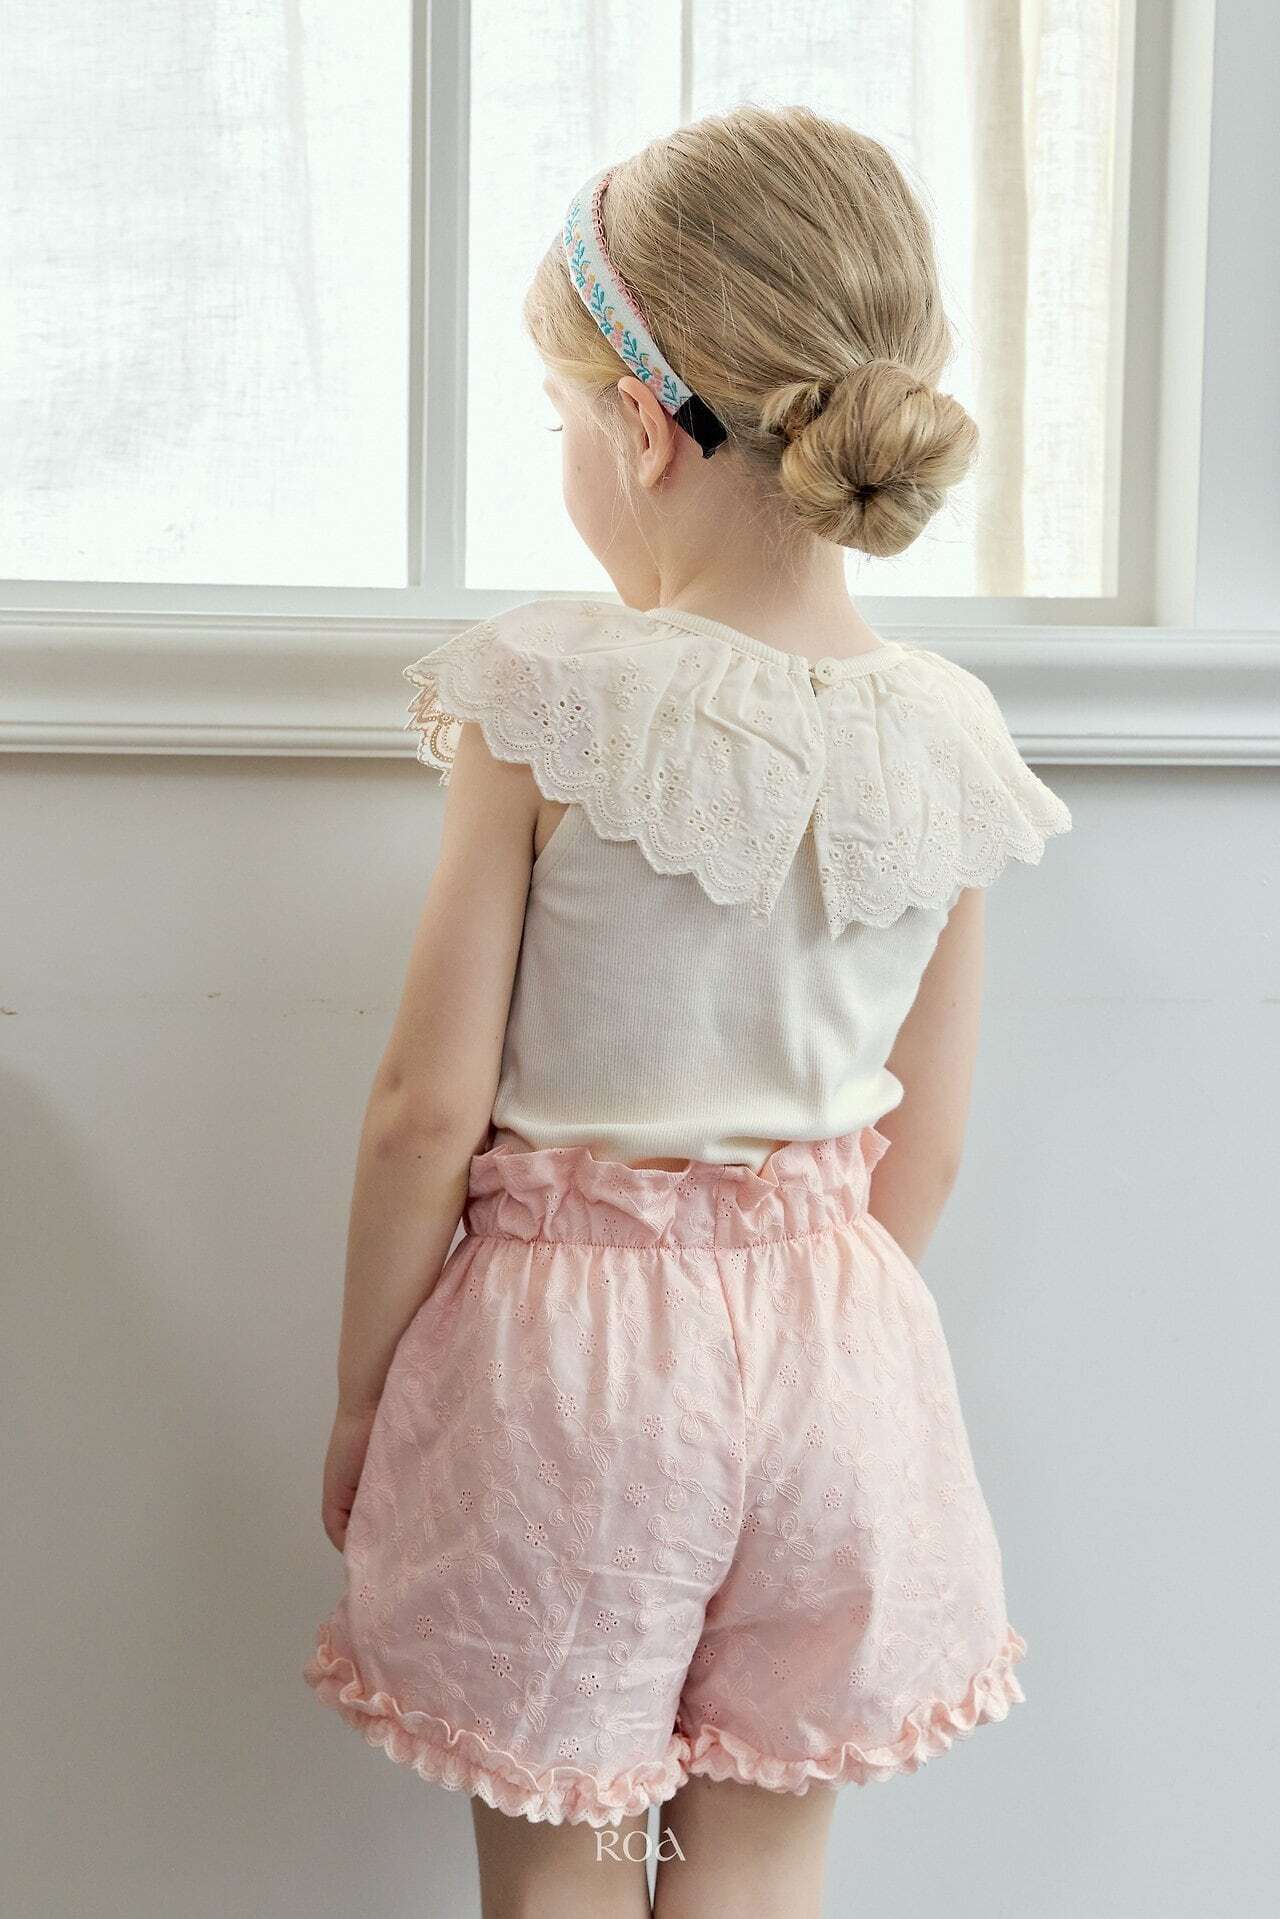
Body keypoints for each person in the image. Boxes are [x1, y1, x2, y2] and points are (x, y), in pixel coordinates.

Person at [303, 102, 1072, 1919]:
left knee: (564, 1871)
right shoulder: (948, 733)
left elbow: (425, 1109)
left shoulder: (547, 698)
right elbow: (925, 1144)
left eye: (563, 419)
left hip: (568, 1372)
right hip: (843, 1355)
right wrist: (798, 1318)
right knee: (759, 1872)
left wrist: (362, 1397)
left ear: (641, 430)